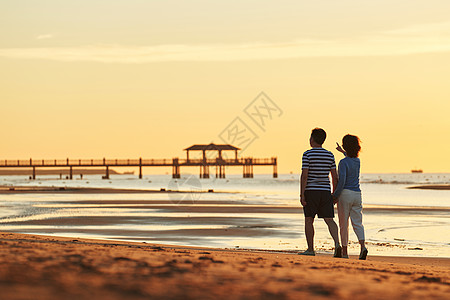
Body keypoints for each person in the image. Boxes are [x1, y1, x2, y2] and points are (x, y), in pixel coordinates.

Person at [299, 128, 341, 257]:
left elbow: (304, 175)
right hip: (325, 191)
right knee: (329, 219)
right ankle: (337, 244)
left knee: (308, 220)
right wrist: (335, 193)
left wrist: (302, 194)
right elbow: (335, 176)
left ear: (312, 139)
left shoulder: (307, 154)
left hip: (311, 191)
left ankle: (311, 249)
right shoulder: (330, 155)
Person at [334, 135, 368, 260]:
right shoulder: (357, 161)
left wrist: (335, 196)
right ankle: (363, 246)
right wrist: (343, 152)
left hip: (345, 194)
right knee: (358, 223)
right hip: (357, 194)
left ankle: (345, 252)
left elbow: (342, 181)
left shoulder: (343, 163)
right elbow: (350, 158)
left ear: (345, 146)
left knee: (344, 224)